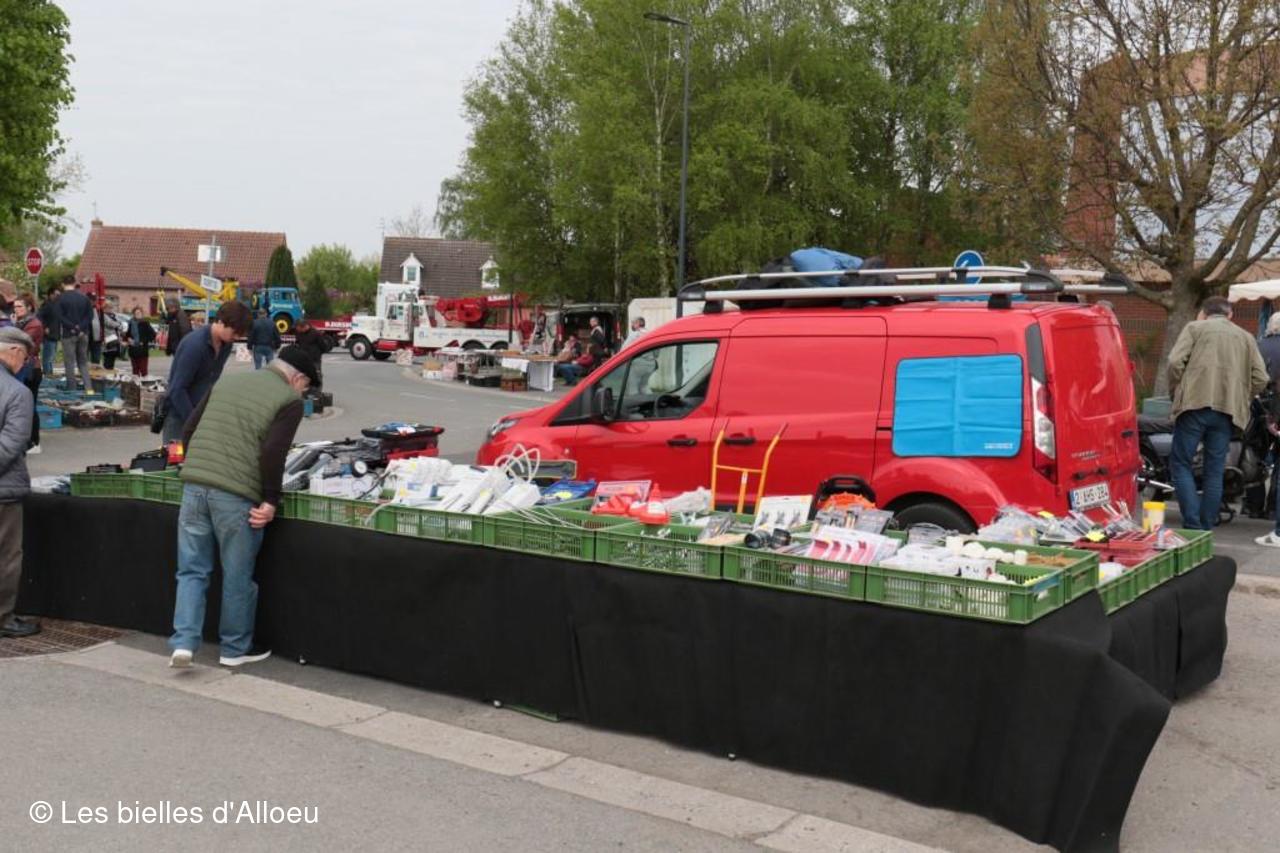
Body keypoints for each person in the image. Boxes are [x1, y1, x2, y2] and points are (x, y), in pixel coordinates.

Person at [168, 345, 318, 668]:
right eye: (306, 387)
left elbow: (189, 428)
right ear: (298, 379)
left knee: (191, 570)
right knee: (237, 574)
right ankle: (234, 648)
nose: (303, 393)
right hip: (236, 496)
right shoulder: (289, 401)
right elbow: (273, 452)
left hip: (194, 487)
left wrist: (197, 467)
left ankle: (183, 643)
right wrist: (270, 500)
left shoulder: (228, 380)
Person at [1166, 296, 1269, 530]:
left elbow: (1174, 362)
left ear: (1204, 312)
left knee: (1181, 464)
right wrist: (1241, 395)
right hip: (1226, 411)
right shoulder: (1245, 337)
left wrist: (1177, 390)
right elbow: (1261, 378)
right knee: (1215, 470)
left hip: (1194, 405)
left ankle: (1193, 523)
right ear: (1230, 314)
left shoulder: (1194, 328)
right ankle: (1206, 525)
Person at [161, 301, 252, 445]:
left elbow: (211, 381)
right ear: (221, 321)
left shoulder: (225, 345)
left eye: (240, 334)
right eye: (235, 332)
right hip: (179, 417)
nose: (236, 337)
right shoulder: (195, 345)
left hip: (201, 417)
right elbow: (177, 389)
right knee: (177, 458)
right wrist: (194, 422)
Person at [0, 326, 39, 638]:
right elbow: (11, 444)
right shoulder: (17, 392)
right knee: (6, 557)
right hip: (4, 491)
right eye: (24, 358)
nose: (23, 365)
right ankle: (3, 618)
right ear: (13, 351)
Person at [12, 295, 44, 455]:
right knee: (23, 405)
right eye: (15, 306)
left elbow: (22, 342)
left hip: (31, 369)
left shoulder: (34, 324)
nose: (16, 309)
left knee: (30, 405)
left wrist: (12, 328)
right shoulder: (21, 323)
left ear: (29, 308)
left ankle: (34, 442)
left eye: (20, 306)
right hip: (22, 366)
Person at [55, 280, 94, 392]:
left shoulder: (60, 298)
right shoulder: (84, 298)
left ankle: (71, 389)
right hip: (83, 333)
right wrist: (80, 328)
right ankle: (89, 388)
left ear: (63, 284)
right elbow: (90, 316)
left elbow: (59, 316)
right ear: (74, 284)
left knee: (69, 362)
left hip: (68, 333)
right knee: (83, 362)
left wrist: (73, 327)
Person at [293, 319, 333, 386]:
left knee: (317, 376)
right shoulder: (299, 333)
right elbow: (298, 343)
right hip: (303, 359)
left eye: (298, 329)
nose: (297, 330)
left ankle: (317, 390)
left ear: (304, 326)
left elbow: (323, 346)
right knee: (304, 377)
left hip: (314, 360)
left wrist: (316, 353)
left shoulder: (316, 333)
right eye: (297, 329)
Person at [125, 307, 158, 376]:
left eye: (139, 313)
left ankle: (144, 382)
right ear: (133, 314)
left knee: (143, 370)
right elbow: (127, 335)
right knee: (135, 371)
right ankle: (136, 382)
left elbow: (153, 335)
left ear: (142, 314)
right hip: (133, 349)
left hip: (142, 349)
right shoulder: (130, 323)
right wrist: (128, 339)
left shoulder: (145, 323)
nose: (138, 315)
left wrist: (143, 341)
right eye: (136, 313)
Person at [37, 288, 60, 377]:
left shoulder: (56, 305)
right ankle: (47, 373)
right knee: (48, 356)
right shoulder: (47, 305)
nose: (58, 297)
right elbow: (39, 316)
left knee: (52, 356)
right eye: (56, 295)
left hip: (55, 334)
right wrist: (45, 327)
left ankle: (50, 372)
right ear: (51, 295)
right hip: (49, 335)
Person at [101, 301, 124, 370]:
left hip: (115, 339)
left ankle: (110, 370)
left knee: (113, 356)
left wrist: (118, 325)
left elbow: (121, 324)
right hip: (108, 340)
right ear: (104, 308)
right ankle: (107, 372)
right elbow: (110, 323)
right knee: (108, 357)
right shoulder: (103, 316)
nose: (110, 309)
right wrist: (118, 324)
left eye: (111, 307)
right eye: (108, 307)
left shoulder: (114, 316)